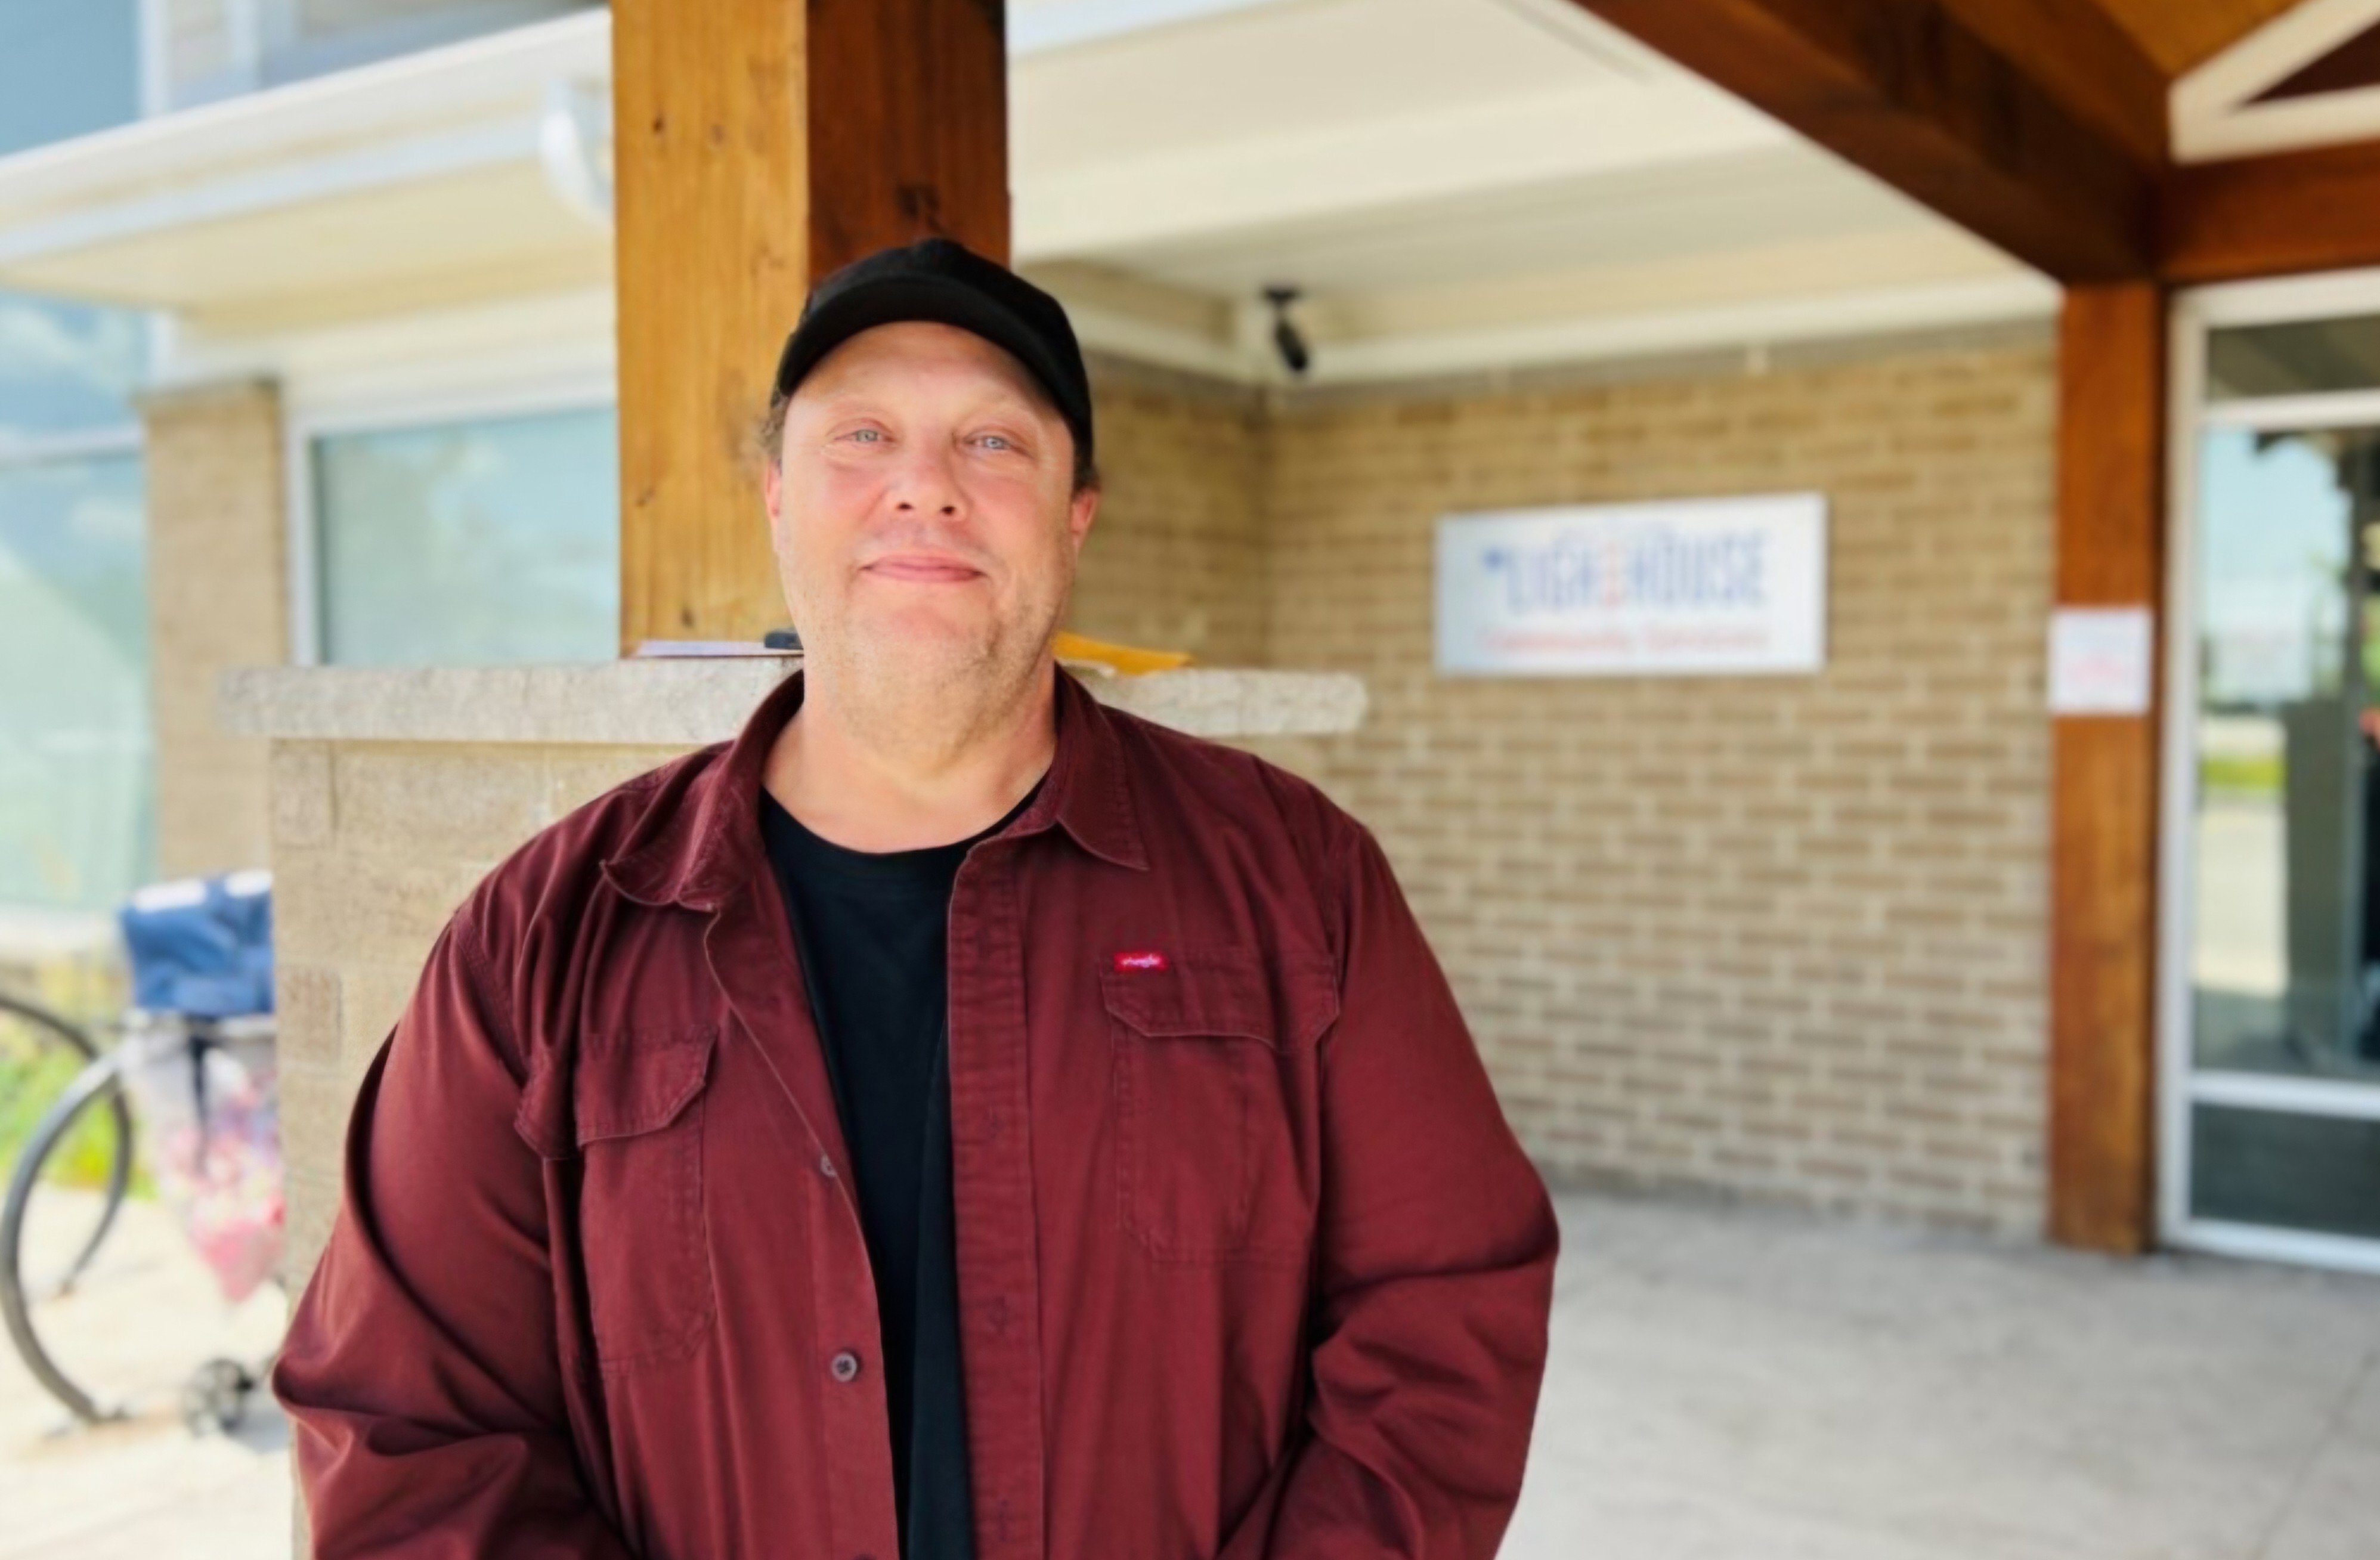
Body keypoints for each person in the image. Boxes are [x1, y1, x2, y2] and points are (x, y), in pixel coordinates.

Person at [273, 237, 1559, 1560]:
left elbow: (1443, 1317)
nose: (924, 491)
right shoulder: (547, 934)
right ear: (777, 498)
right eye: (864, 435)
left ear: (1075, 514)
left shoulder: (1294, 879)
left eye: (993, 444)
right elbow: (408, 1430)